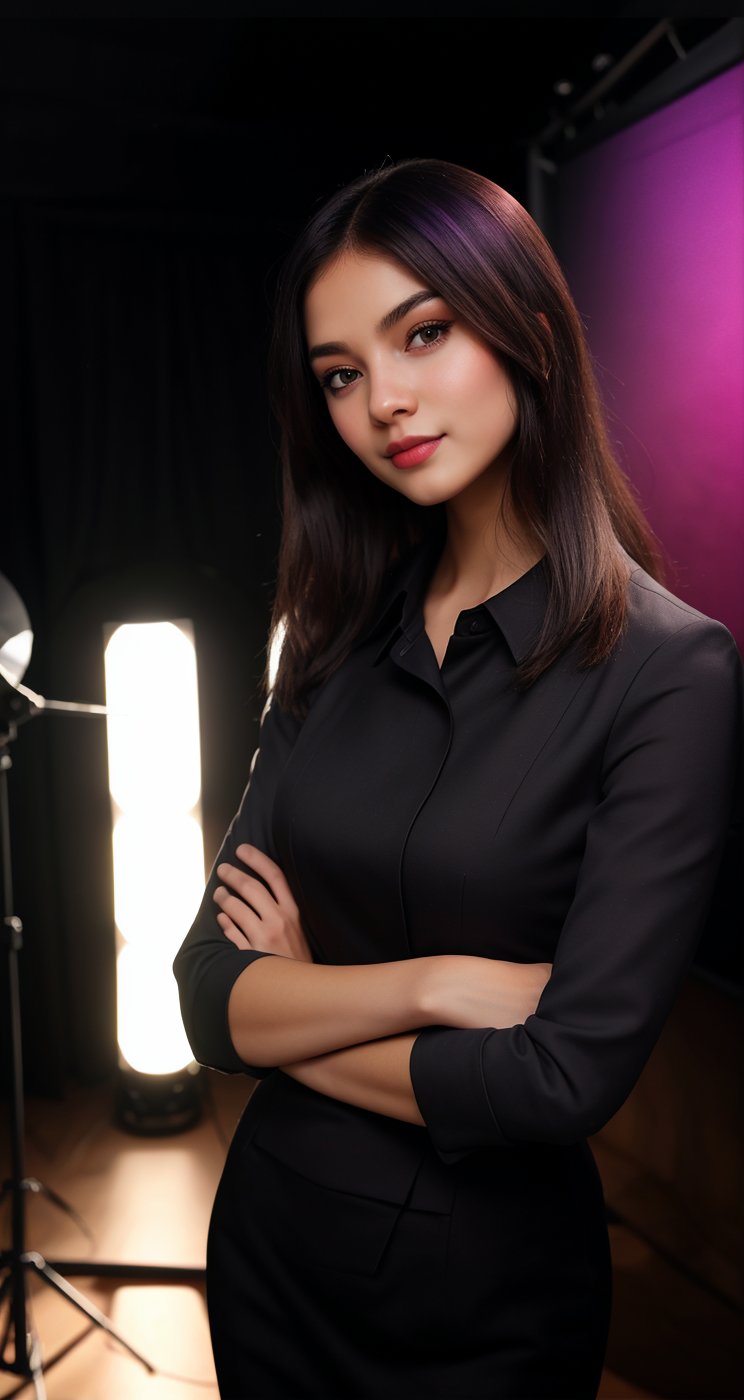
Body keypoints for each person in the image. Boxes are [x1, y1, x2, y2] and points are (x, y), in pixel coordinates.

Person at [173, 157, 742, 1399]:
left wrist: (303, 1001)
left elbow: (559, 1079)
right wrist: (440, 983)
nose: (384, 398)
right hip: (273, 1249)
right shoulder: (325, 642)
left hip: (484, 1299)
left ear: (529, 329)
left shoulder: (670, 672)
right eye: (340, 373)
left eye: (422, 332)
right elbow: (204, 995)